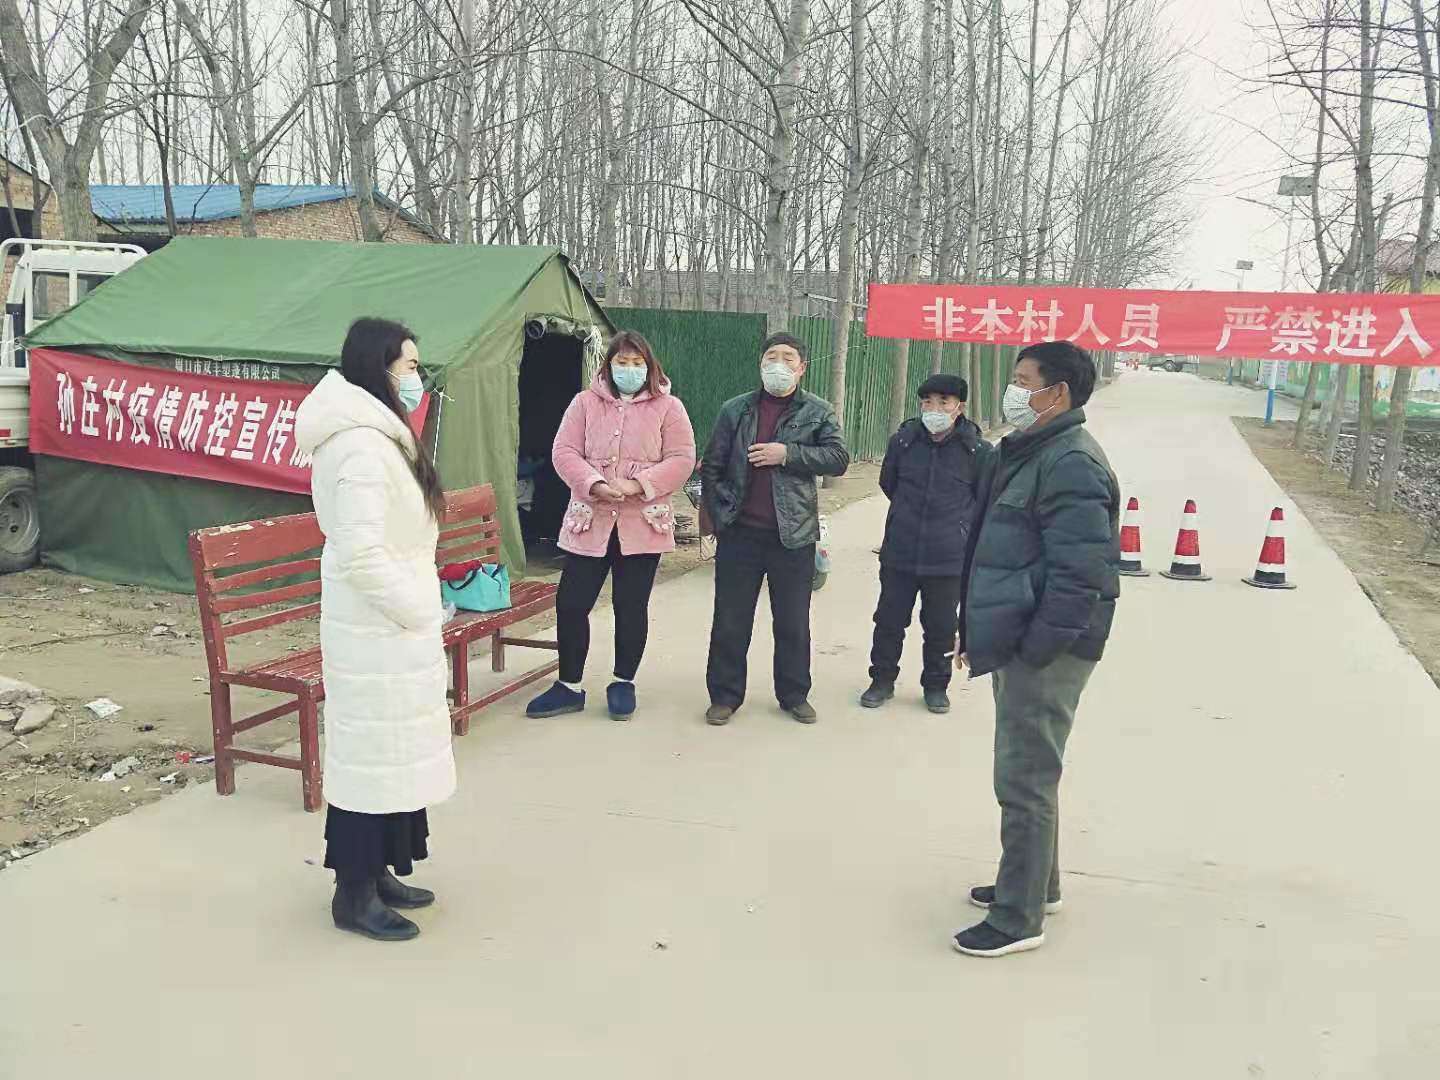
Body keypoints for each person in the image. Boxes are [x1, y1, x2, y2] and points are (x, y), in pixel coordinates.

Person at [951, 341, 1121, 958]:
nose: (1013, 391)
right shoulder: (1029, 450)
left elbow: (1080, 575)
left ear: (1058, 393)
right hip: (1020, 635)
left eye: (1024, 382)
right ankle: (1036, 886)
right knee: (1030, 771)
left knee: (1024, 777)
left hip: (1046, 646)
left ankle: (1017, 918)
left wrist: (1037, 649)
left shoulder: (1071, 462)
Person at [294, 317, 455, 943]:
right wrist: (417, 608)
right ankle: (353, 893)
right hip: (377, 626)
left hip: (391, 626)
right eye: (410, 366)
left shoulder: (381, 433)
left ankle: (381, 869)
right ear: (378, 369)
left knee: (392, 757)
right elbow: (360, 553)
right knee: (368, 760)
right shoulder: (361, 445)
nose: (418, 378)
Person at [527, 331, 696, 720]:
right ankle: (569, 685)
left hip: (642, 524)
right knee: (571, 603)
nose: (630, 370)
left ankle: (623, 682)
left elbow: (682, 458)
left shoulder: (669, 408)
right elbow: (564, 451)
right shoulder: (584, 403)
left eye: (638, 363)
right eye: (622, 362)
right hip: (591, 520)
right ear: (608, 365)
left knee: (630, 605)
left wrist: (638, 484)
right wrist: (594, 483)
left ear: (650, 367)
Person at [702, 332, 849, 725]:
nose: (778, 364)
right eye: (771, 356)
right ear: (760, 364)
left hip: (793, 535)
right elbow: (712, 465)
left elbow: (838, 458)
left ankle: (794, 694)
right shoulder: (735, 410)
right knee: (730, 620)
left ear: (802, 368)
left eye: (788, 358)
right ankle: (725, 696)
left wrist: (788, 454)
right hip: (740, 533)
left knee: (792, 622)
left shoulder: (818, 411)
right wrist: (718, 517)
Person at [861, 373, 991, 716]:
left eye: (944, 402)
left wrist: (959, 529)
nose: (935, 409)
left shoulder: (977, 451)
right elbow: (889, 483)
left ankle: (936, 685)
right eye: (927, 402)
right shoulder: (904, 441)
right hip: (900, 551)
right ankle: (881, 680)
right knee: (888, 622)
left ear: (959, 407)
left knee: (941, 627)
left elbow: (983, 498)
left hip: (948, 558)